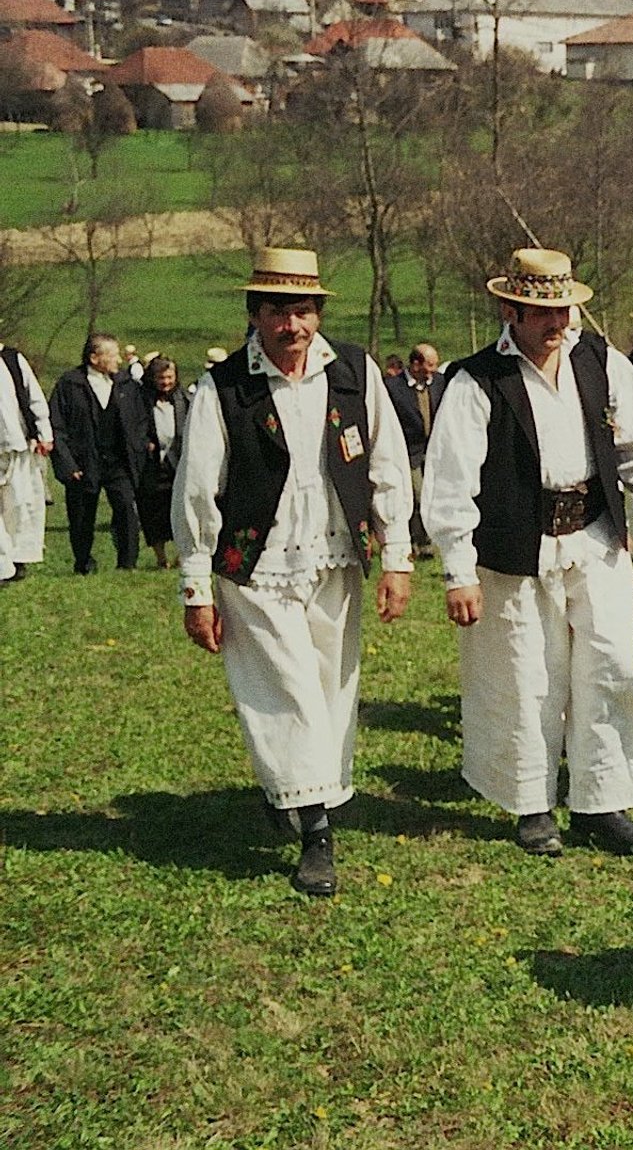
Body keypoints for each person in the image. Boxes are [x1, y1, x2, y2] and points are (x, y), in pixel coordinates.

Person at [423, 248, 633, 858]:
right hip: (515, 549)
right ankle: (532, 804)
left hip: (594, 535)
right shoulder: (477, 379)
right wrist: (458, 571)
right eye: (543, 312)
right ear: (510, 310)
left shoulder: (600, 361)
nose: (558, 323)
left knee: (611, 663)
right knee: (525, 677)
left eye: (565, 310)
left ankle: (600, 799)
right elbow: (449, 484)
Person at [172, 248, 414, 896]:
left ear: (318, 314)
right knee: (288, 691)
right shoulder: (225, 388)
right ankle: (316, 832)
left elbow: (386, 465)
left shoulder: (355, 374)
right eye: (277, 311)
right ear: (255, 314)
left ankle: (299, 794)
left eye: (302, 311)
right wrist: (197, 588)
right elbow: (197, 491)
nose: (292, 326)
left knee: (332, 687)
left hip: (336, 556)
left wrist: (397, 557)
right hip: (256, 567)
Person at [50, 332, 145, 574]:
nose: (118, 360)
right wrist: (68, 465)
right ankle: (83, 563)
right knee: (82, 517)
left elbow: (140, 421)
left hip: (119, 462)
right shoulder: (69, 385)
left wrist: (139, 449)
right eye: (112, 355)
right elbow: (57, 427)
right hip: (83, 463)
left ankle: (127, 563)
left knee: (126, 509)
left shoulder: (127, 384)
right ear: (94, 358)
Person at [384, 342, 445, 557]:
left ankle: (425, 541)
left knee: (431, 498)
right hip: (407, 452)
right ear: (416, 364)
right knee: (416, 497)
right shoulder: (392, 387)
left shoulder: (439, 383)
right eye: (430, 364)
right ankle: (415, 542)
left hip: (434, 451)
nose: (434, 369)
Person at [0, 338, 50, 584]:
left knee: (19, 504)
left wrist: (44, 433)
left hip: (17, 445)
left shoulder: (11, 360)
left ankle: (17, 559)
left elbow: (34, 398)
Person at [135, 356, 183, 569]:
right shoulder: (141, 399)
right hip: (152, 464)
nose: (165, 382)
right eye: (161, 378)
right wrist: (144, 442)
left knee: (182, 510)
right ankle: (161, 558)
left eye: (169, 377)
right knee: (153, 509)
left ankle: (182, 555)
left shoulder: (184, 399)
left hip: (179, 461)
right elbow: (133, 426)